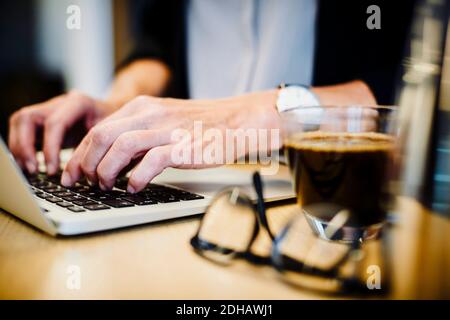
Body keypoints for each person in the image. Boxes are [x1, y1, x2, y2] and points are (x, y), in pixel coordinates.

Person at [8, 0, 415, 193]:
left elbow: (403, 83)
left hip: (323, 197)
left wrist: (252, 116)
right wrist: (119, 105)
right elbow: (159, 47)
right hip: (183, 188)